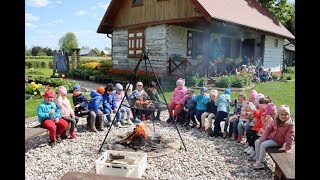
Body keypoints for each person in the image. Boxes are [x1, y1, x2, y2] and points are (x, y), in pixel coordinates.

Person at [253, 105, 294, 169]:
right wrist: (263, 138)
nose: (283, 116)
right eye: (282, 114)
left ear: (289, 115)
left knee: (263, 144)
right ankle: (258, 159)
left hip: (278, 141)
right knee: (257, 142)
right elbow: (268, 129)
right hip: (271, 138)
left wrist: (288, 147)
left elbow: (290, 136)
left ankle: (261, 162)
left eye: (286, 114)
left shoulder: (290, 125)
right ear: (278, 114)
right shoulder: (275, 121)